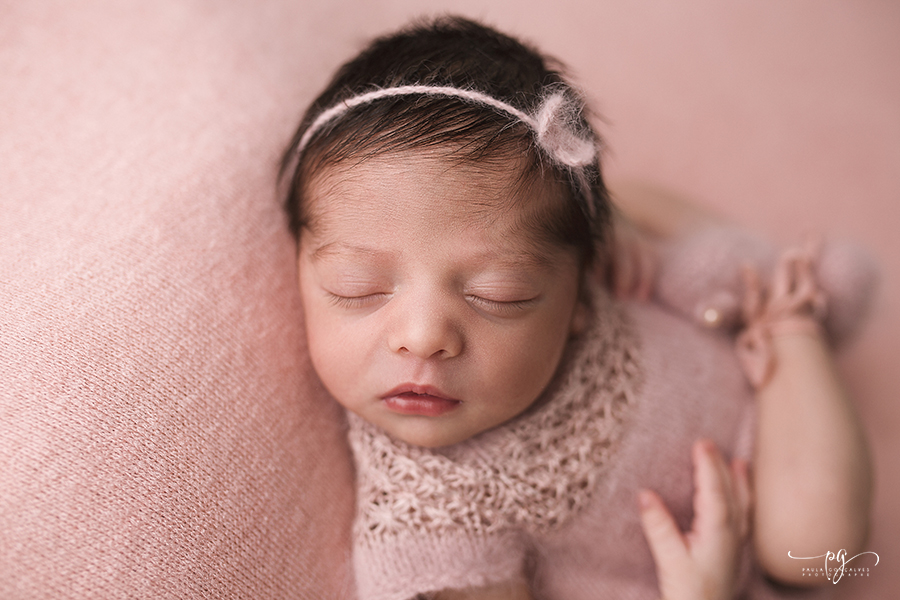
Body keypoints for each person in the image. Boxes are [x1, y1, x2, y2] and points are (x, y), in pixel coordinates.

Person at [280, 17, 872, 600]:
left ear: (580, 295)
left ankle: (767, 281)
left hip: (693, 325)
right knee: (816, 551)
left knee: (669, 243)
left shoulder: (582, 257)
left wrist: (619, 225)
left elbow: (618, 195)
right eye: (355, 287)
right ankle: (793, 322)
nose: (423, 337)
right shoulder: (429, 508)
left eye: (499, 294)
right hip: (755, 497)